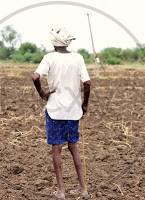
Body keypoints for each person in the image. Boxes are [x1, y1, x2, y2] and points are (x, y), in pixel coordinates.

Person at [32, 28, 91, 199]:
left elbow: (35, 77)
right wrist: (84, 105)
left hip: (54, 110)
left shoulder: (49, 58)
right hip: (73, 111)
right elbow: (87, 83)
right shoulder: (78, 58)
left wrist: (42, 94)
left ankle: (61, 191)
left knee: (56, 149)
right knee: (74, 148)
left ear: (53, 42)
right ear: (68, 42)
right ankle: (83, 189)